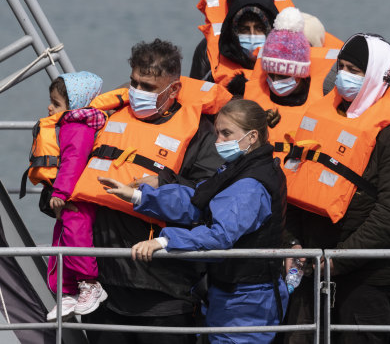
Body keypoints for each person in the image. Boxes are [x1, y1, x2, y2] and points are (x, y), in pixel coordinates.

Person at [71, 39, 229, 344]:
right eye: (134, 83)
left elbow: (212, 196)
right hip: (105, 286)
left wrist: (165, 181)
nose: (137, 93)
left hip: (164, 290)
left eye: (148, 86)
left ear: (173, 90)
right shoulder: (107, 119)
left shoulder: (200, 135)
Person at [282, 33, 390, 344]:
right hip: (311, 265)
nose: (344, 75)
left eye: (355, 70)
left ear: (379, 76)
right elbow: (295, 180)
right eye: (341, 66)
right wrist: (292, 242)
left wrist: (340, 259)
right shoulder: (321, 115)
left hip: (368, 278)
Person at [99, 99, 288, 344]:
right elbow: (197, 200)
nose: (218, 141)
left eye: (226, 134)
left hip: (249, 299)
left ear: (252, 137)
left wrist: (165, 241)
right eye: (218, 133)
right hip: (228, 292)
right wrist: (138, 195)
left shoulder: (250, 185)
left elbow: (220, 236)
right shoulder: (237, 169)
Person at [32, 72, 107, 321]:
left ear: (74, 104)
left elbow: (73, 162)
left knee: (76, 238)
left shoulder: (77, 128)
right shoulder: (67, 126)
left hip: (75, 198)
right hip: (67, 198)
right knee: (61, 243)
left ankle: (90, 284)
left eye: (56, 103)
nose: (50, 107)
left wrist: (60, 191)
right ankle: (67, 292)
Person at [241, 7, 336, 143]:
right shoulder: (246, 94)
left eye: (283, 76)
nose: (275, 82)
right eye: (271, 75)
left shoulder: (330, 94)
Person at [190, 0, 279, 89]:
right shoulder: (208, 50)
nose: (252, 37)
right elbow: (194, 96)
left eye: (260, 28)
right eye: (244, 29)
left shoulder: (293, 49)